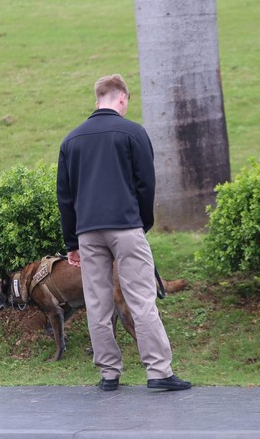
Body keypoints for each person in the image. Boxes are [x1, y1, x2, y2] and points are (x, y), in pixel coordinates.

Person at [56, 74, 191, 392]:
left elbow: (65, 196)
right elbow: (146, 184)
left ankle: (108, 374)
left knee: (97, 303)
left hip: (88, 232)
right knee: (141, 299)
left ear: (97, 100)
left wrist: (71, 242)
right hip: (126, 226)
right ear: (122, 98)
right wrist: (142, 223)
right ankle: (158, 372)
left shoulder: (71, 140)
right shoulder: (133, 132)